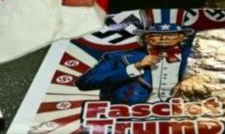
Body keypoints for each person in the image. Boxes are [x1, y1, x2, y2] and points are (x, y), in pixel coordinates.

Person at [76, 10, 209, 104]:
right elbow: (85, 82)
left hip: (182, 116)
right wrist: (135, 66)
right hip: (130, 118)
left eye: (171, 34)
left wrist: (191, 81)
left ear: (181, 37)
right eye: (155, 34)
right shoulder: (118, 57)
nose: (163, 37)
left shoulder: (197, 55)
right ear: (145, 38)